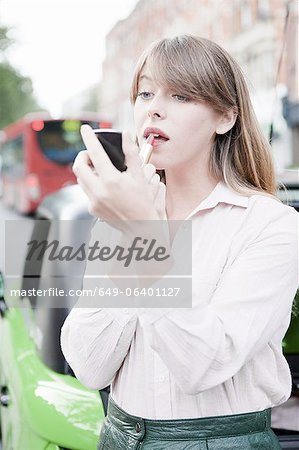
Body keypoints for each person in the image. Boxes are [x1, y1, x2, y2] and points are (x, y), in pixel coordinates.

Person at [60, 35, 298, 449]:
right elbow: (89, 365)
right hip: (118, 436)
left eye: (181, 95)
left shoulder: (270, 225)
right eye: (146, 92)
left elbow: (205, 363)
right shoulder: (121, 218)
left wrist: (144, 234)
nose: (154, 107)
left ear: (225, 117)